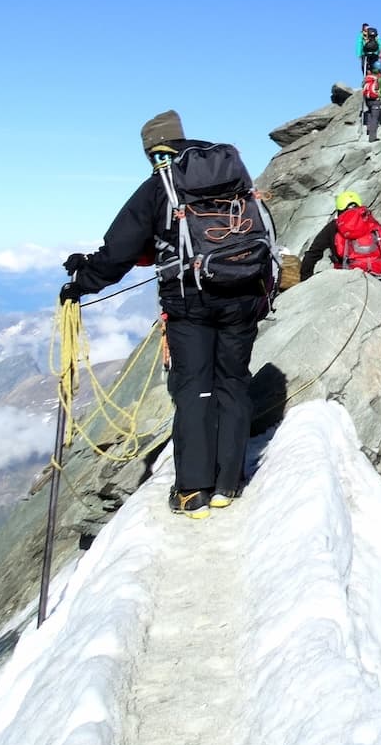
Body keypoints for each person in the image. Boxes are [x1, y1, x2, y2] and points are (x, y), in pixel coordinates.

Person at [61, 110, 270, 520]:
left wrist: (81, 282)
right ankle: (229, 482)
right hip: (244, 293)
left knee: (194, 388)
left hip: (191, 302)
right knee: (232, 381)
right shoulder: (233, 177)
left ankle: (193, 491)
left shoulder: (162, 186)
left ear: (153, 149)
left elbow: (119, 250)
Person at [331, 191, 381, 287]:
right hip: (378, 275)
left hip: (349, 278)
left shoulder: (334, 227)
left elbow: (314, 251)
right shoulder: (371, 222)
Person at [361, 69, 381, 140]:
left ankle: (368, 129)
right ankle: (372, 137)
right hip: (375, 100)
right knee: (375, 118)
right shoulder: (377, 80)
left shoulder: (367, 80)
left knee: (369, 113)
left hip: (368, 100)